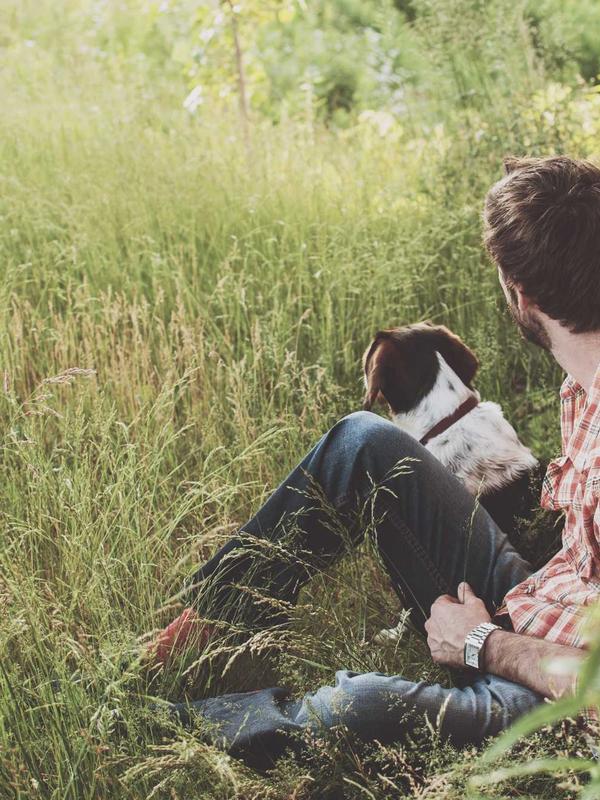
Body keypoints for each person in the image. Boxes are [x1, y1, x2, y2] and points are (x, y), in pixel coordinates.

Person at [145, 156, 600, 766]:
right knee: (364, 440)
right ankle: (183, 643)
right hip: (548, 608)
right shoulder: (583, 381)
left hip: (564, 702)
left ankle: (157, 729)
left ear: (520, 294)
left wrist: (482, 644)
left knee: (356, 706)